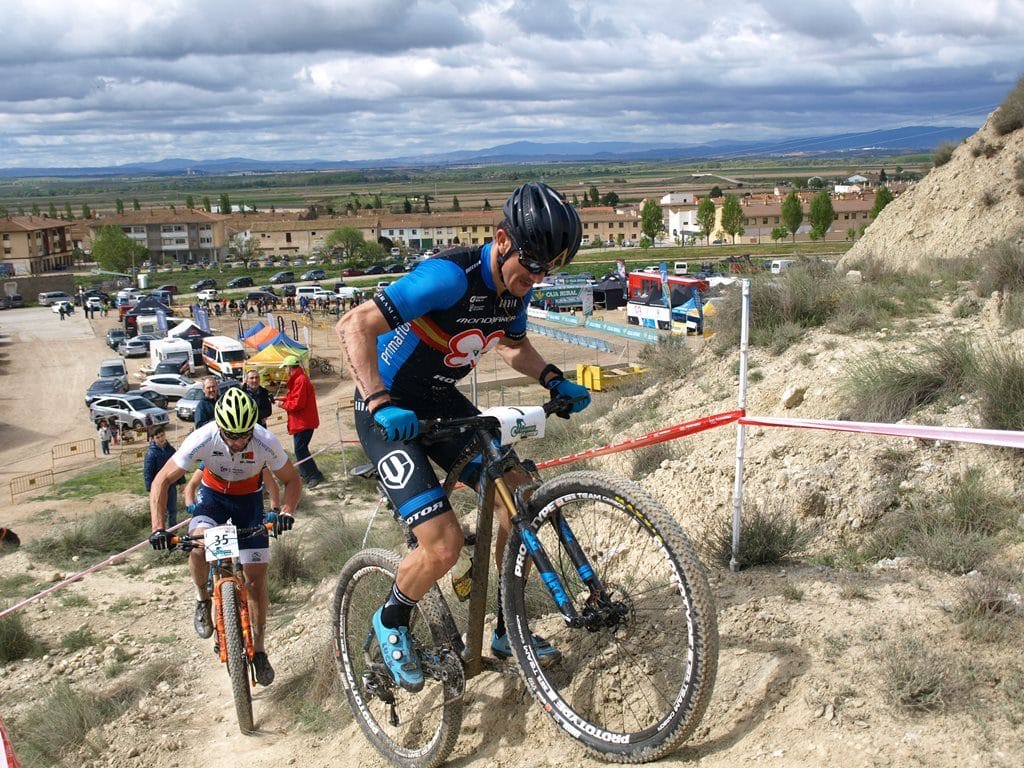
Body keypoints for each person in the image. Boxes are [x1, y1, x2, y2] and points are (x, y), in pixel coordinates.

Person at [335, 182, 591, 692]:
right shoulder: (449, 278)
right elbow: (353, 325)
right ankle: (390, 619)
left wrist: (553, 379)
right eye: (533, 264)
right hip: (386, 412)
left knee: (517, 495)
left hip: (441, 404)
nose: (537, 277)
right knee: (445, 545)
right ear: (502, 240)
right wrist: (382, 402)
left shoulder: (514, 290)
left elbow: (513, 347)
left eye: (549, 269)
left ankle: (506, 629)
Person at [147, 388, 302, 686]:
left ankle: (259, 650)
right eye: (231, 435)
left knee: (256, 581)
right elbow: (162, 480)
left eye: (244, 434)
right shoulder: (203, 437)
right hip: (213, 500)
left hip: (248, 504)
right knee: (199, 546)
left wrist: (286, 510)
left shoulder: (265, 441)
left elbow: (292, 480)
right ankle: (202, 599)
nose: (239, 441)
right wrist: (158, 527)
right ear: (219, 427)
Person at [276, 355, 325, 488]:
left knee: (300, 450)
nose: (284, 370)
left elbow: (298, 404)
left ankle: (313, 475)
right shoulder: (298, 379)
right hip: (301, 422)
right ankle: (310, 475)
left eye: (285, 367)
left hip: (304, 422)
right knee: (300, 449)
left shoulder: (300, 380)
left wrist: (282, 405)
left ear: (290, 367)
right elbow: (293, 397)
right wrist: (282, 399)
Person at [143, 425, 184, 528]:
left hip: (171, 485)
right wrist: (150, 488)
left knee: (173, 509)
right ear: (153, 439)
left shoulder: (171, 450)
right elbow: (148, 472)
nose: (161, 439)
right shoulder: (151, 454)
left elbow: (178, 467)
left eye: (162, 435)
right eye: (158, 437)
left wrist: (181, 482)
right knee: (161, 510)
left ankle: (173, 530)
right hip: (159, 487)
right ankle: (161, 531)